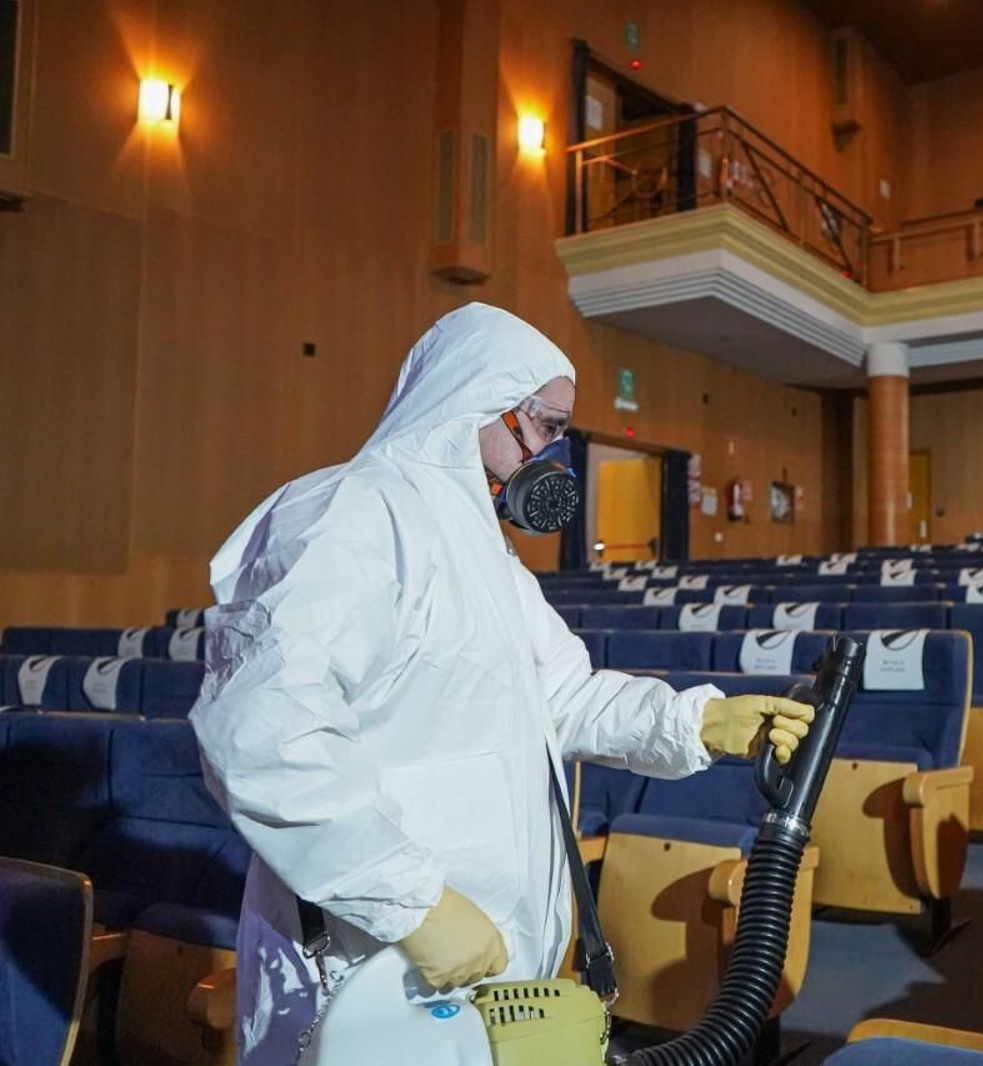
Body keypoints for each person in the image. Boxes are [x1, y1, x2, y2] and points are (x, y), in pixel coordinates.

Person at [190, 302, 814, 1064]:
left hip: (482, 955)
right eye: (547, 426)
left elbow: (562, 696)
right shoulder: (352, 514)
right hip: (373, 954)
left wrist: (697, 724)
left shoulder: (487, 558)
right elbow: (262, 734)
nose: (553, 454)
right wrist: (410, 903)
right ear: (474, 402)